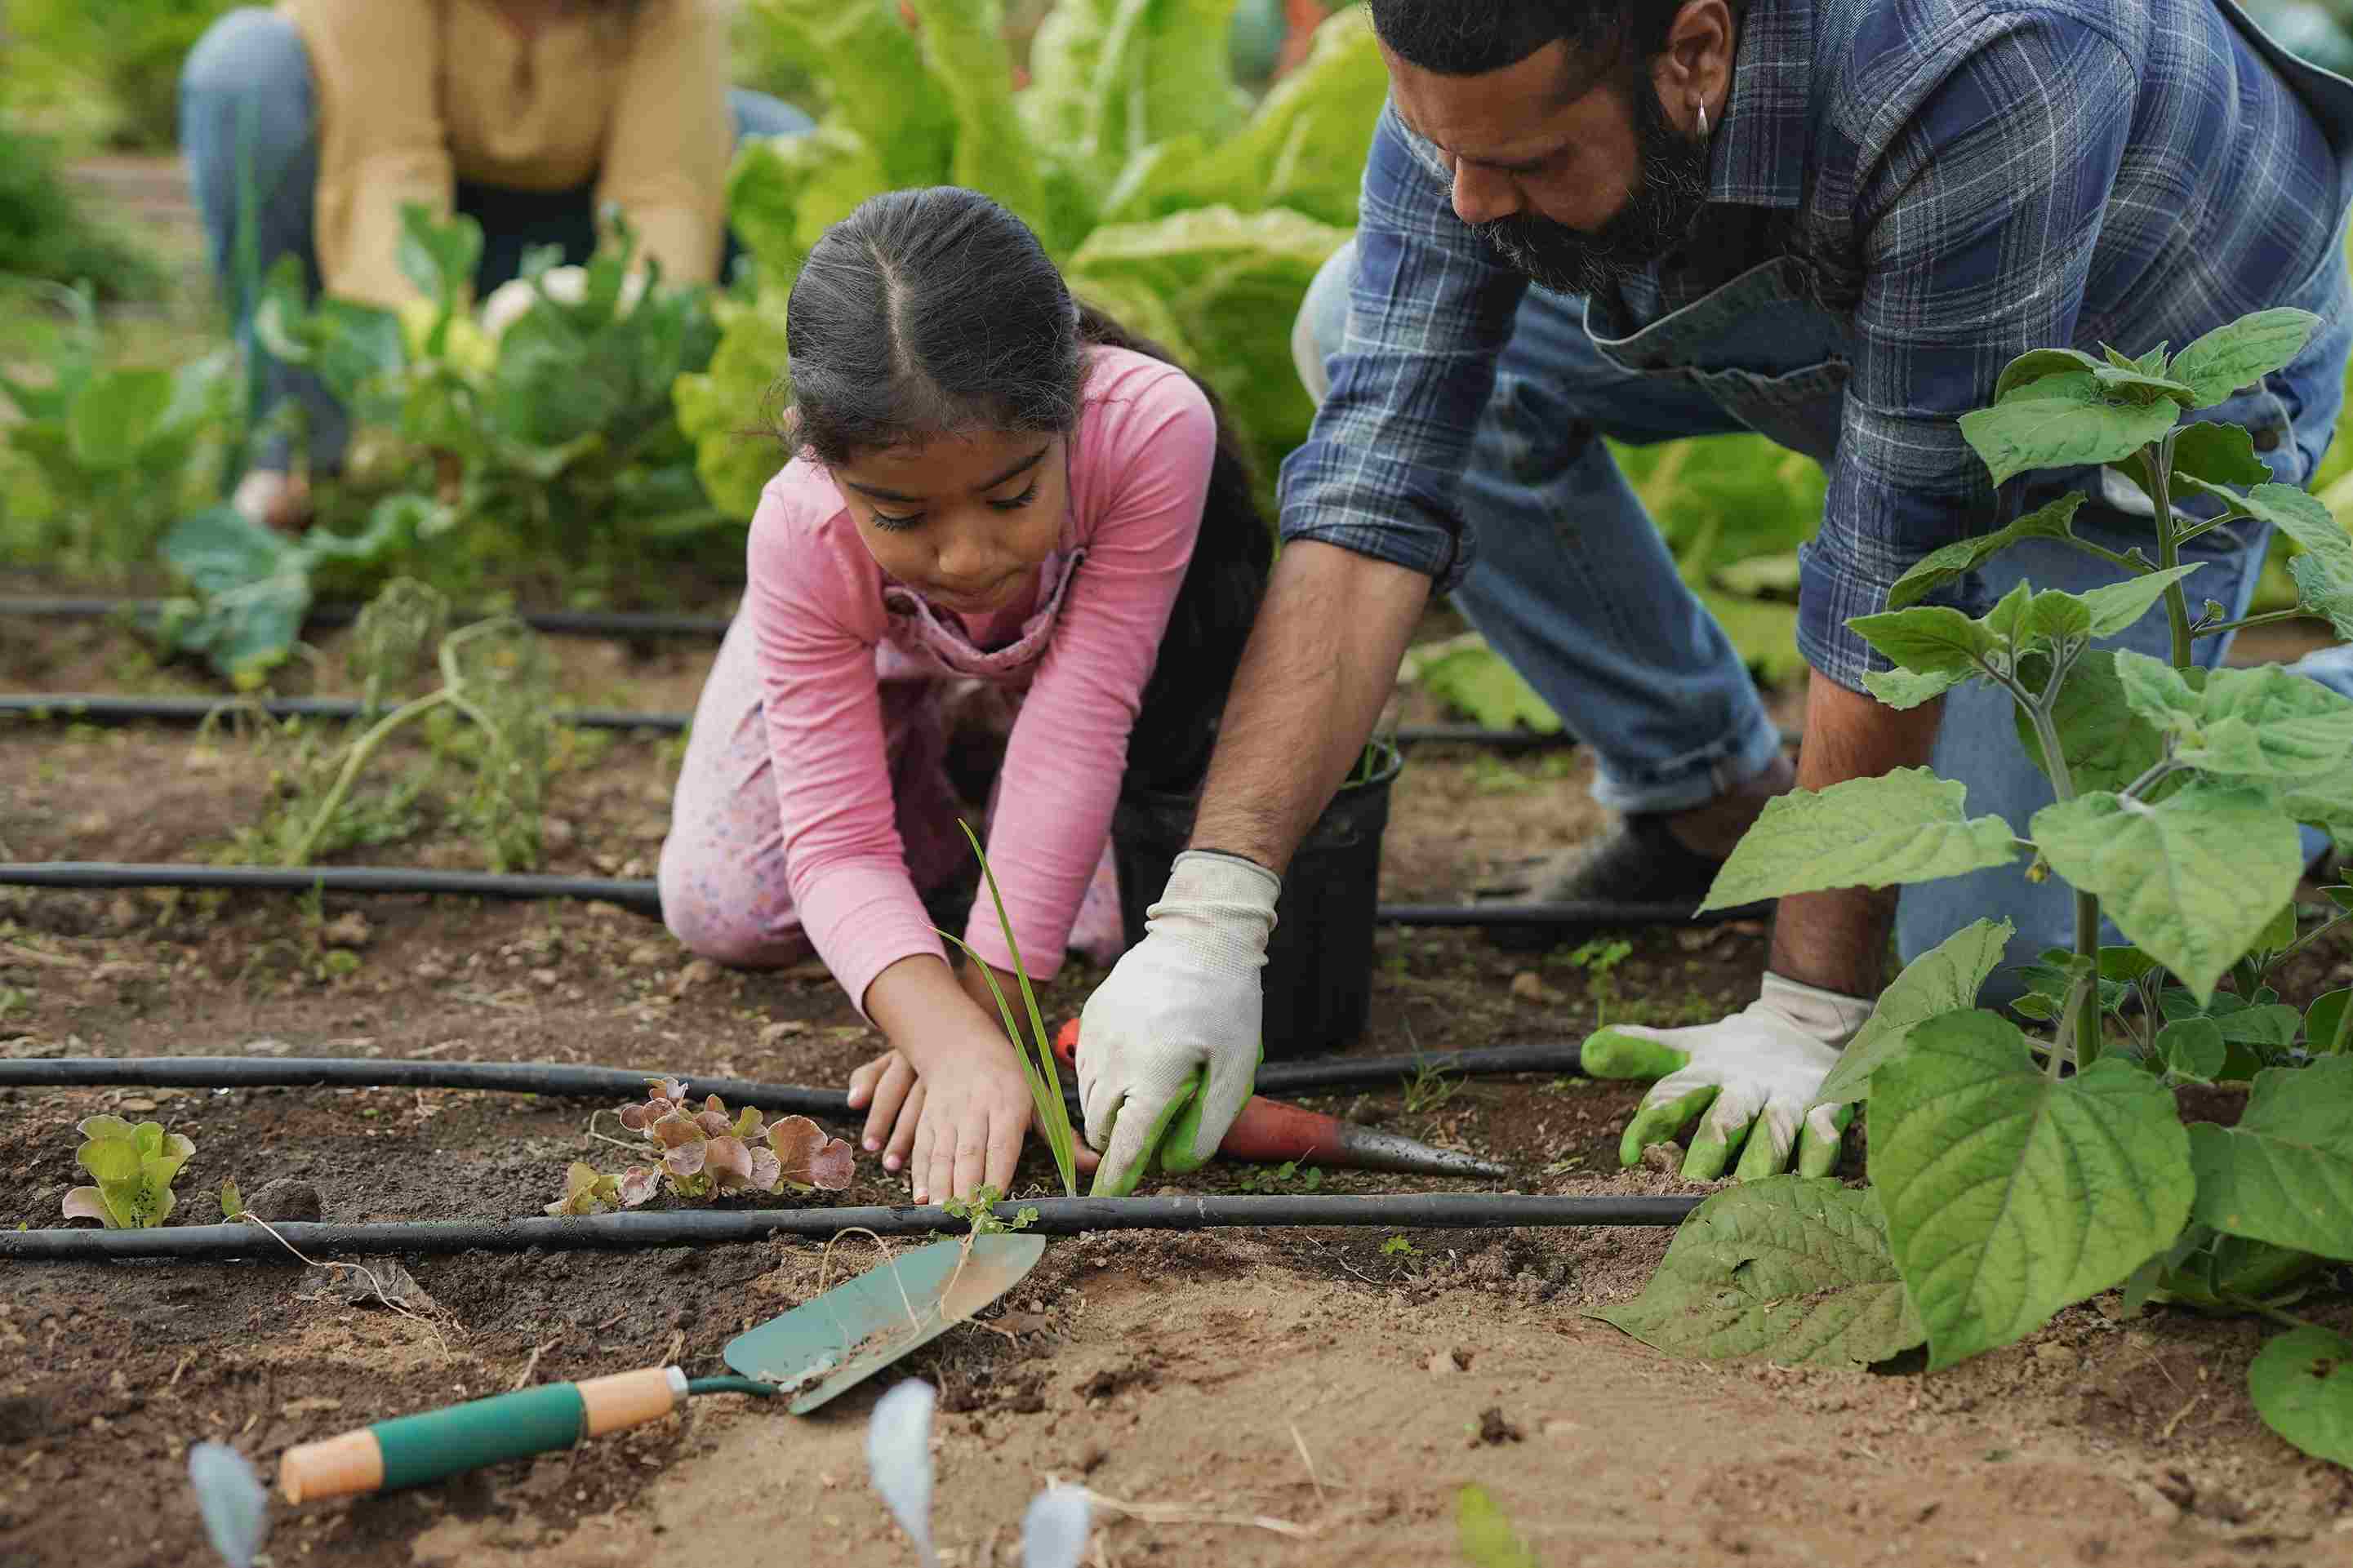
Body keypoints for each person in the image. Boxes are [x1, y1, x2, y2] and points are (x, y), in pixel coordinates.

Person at [1074, 0, 2353, 1193]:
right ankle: (1701, 797)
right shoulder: (1499, 68)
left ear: (1692, 52)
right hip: (1831, 294)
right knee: (1352, 315)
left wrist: (1810, 1008)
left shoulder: (1981, 63)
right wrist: (1211, 915)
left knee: (2002, 959)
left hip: (2129, 370)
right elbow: (1369, 487)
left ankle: (2316, 730)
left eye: (1524, 162)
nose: (1468, 198)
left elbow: (1899, 561)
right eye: (1442, 146)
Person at [656, 186, 1274, 1207]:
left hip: (1077, 675)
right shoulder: (802, 530)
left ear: (1066, 404)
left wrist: (983, 1017)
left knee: (1130, 929)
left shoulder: (1150, 427)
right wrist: (942, 1037)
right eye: (900, 513)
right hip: (882, 648)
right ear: (820, 454)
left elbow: (1080, 727)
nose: (966, 553)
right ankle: (945, 792)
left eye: (1011, 495)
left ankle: (970, 797)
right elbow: (838, 843)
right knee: (725, 907)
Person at [177, 0, 816, 532]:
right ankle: (299, 449)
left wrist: (614, 345)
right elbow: (385, 170)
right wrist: (440, 377)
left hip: (571, 231)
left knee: (777, 140)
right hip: (390, 212)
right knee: (244, 71)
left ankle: (708, 463)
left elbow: (666, 201)